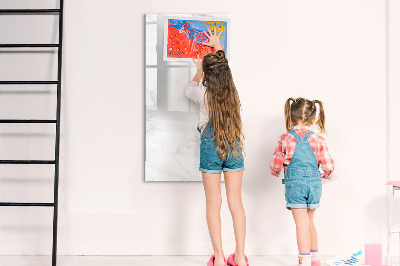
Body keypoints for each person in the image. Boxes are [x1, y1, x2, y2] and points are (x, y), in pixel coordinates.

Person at [185, 28, 248, 266]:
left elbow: (188, 90)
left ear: (208, 77)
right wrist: (218, 46)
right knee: (236, 202)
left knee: (214, 203)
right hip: (233, 147)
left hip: (211, 148)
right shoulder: (233, 94)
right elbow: (224, 69)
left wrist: (198, 70)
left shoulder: (203, 95)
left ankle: (220, 258)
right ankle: (240, 257)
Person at [270, 98, 335, 266]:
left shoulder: (285, 138)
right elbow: (328, 165)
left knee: (301, 224)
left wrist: (275, 171)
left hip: (295, 186)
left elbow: (275, 164)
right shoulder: (318, 139)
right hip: (314, 185)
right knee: (309, 222)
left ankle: (304, 261)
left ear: (291, 117)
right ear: (313, 120)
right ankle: (315, 260)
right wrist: (327, 176)